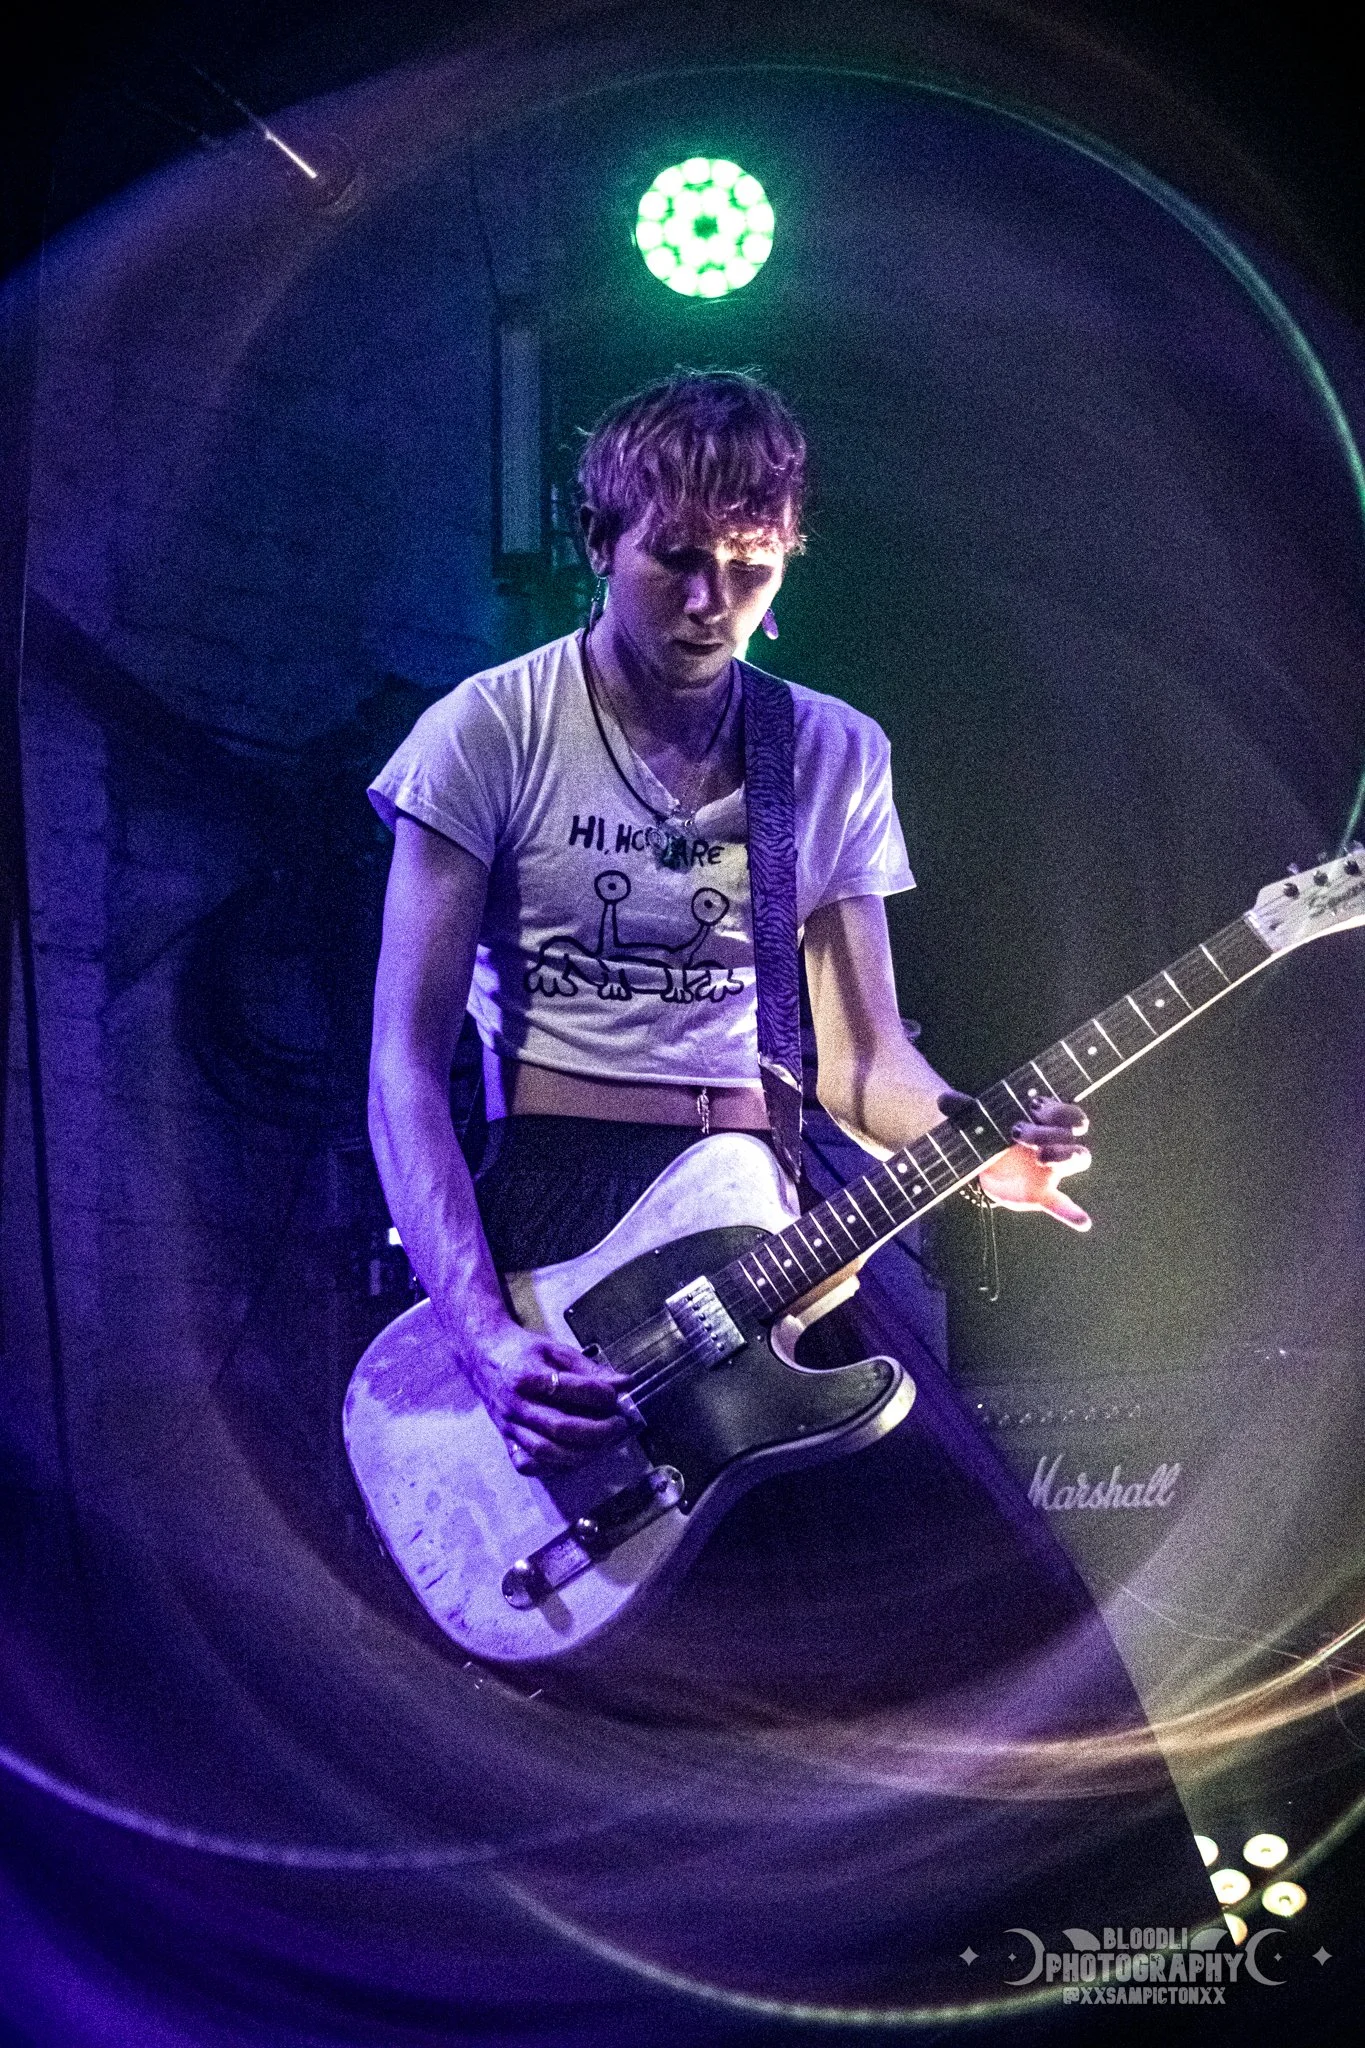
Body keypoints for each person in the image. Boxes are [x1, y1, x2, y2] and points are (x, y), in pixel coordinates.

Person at [366, 369, 1092, 1470]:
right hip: (555, 1201)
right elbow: (402, 1069)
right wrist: (480, 1327)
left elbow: (862, 1063)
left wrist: (978, 1141)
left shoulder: (831, 750)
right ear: (600, 540)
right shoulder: (487, 728)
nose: (713, 603)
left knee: (954, 1576)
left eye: (749, 569)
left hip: (762, 1202)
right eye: (679, 560)